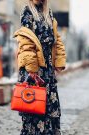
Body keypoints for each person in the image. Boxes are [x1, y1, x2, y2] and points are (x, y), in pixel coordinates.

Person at [13, 0, 66, 134]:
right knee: (34, 109)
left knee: (50, 109)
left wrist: (59, 61)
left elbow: (56, 38)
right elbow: (26, 41)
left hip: (47, 70)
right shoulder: (27, 11)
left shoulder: (48, 12)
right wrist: (31, 69)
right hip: (34, 68)